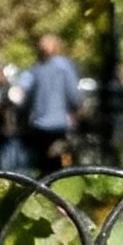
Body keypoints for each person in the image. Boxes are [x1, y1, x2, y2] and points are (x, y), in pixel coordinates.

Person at [17, 33, 80, 169]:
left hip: (39, 125)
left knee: (42, 165)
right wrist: (75, 111)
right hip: (59, 125)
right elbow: (73, 95)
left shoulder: (36, 70)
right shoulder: (65, 67)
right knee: (63, 163)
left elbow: (26, 98)